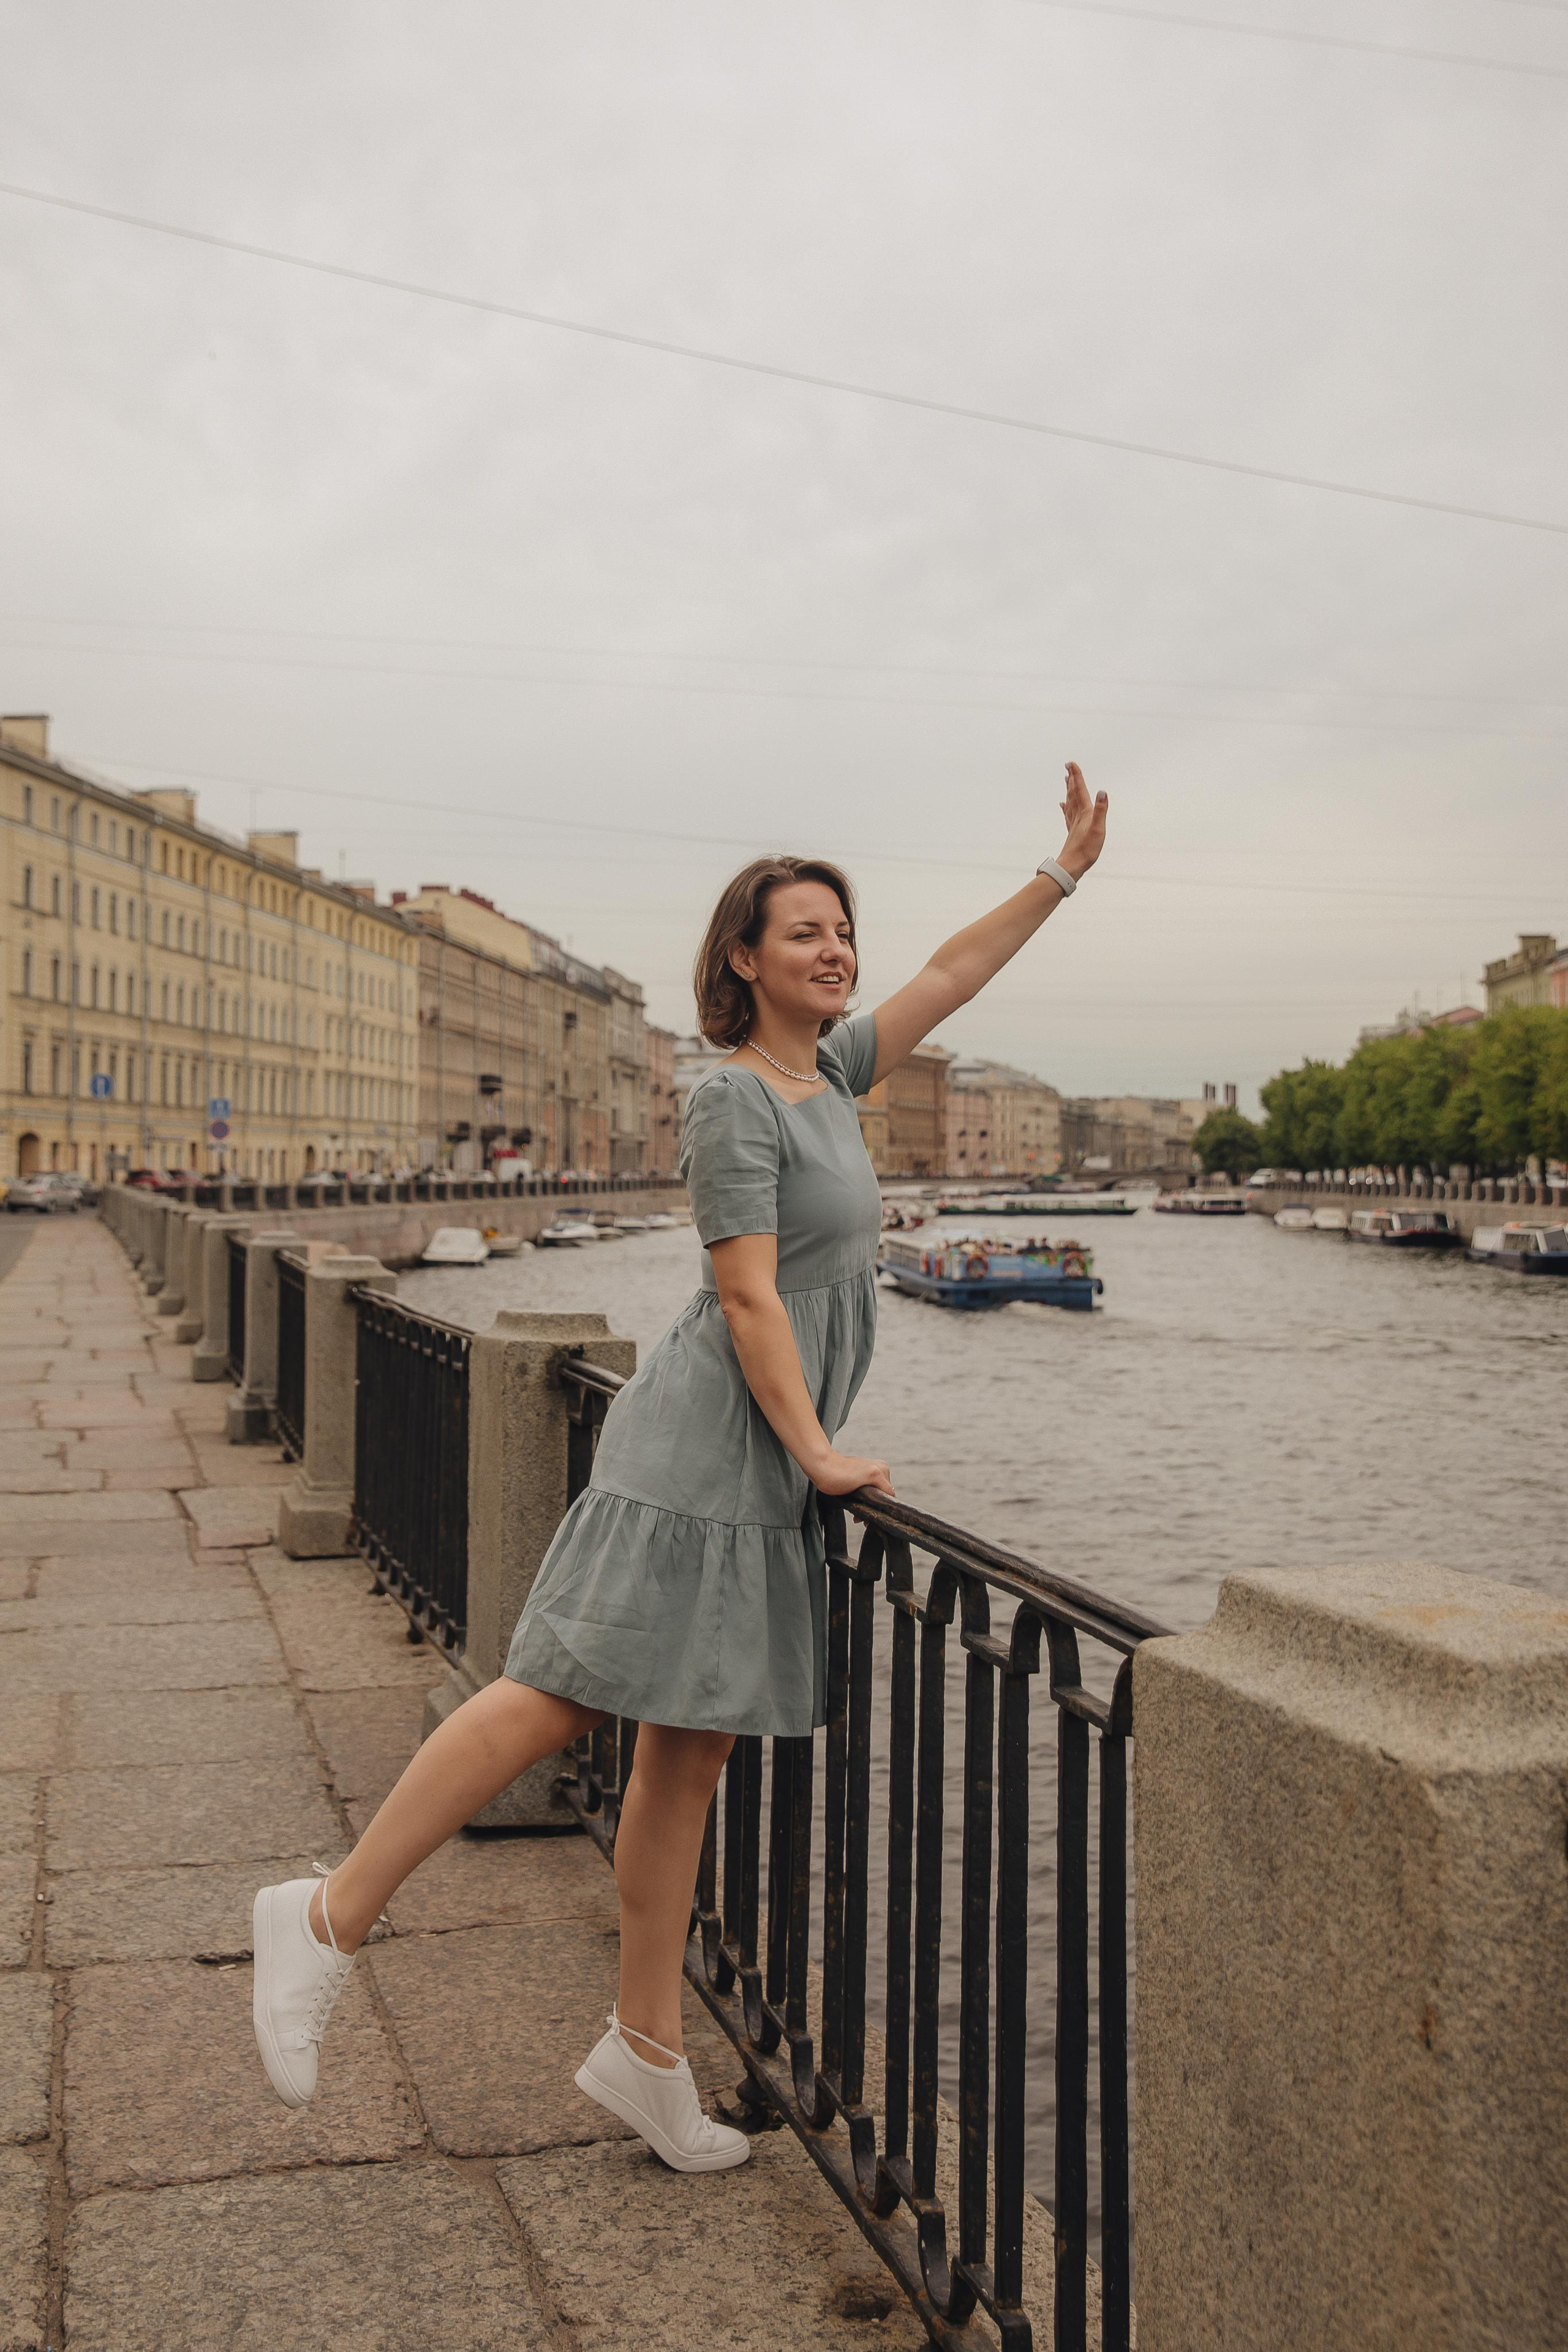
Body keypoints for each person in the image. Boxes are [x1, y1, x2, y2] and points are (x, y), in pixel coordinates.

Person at [251, 763, 1109, 2174]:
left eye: (843, 930)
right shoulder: (731, 1102)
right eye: (804, 933)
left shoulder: (828, 1071)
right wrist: (819, 1448)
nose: (835, 950)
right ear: (739, 959)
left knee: (687, 1754)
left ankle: (645, 2052)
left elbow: (956, 967)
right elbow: (752, 1297)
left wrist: (1061, 873)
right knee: (554, 1696)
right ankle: (329, 1914)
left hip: (758, 1455)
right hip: (711, 1440)